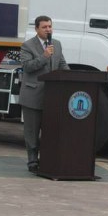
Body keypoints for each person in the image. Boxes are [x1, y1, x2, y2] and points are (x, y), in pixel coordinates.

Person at [19, 15, 69, 173]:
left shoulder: (57, 44)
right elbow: (27, 67)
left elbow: (62, 63)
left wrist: (70, 76)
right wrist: (44, 56)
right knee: (32, 132)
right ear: (36, 29)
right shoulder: (27, 46)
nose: (48, 29)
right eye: (44, 27)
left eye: (50, 26)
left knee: (50, 131)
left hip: (52, 97)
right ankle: (32, 161)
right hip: (33, 96)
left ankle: (48, 159)